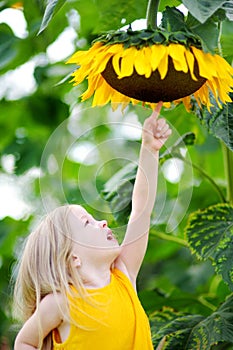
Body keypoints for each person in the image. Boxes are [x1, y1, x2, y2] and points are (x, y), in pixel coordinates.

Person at [13, 102, 172, 350]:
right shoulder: (62, 303)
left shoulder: (123, 277)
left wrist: (149, 150)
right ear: (73, 258)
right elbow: (24, 342)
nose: (103, 222)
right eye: (88, 222)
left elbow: (140, 210)